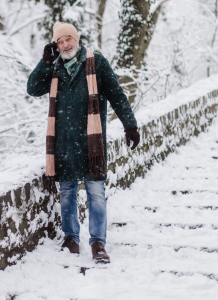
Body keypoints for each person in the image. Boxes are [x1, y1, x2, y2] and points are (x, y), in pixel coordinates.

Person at [27, 22, 140, 264]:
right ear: (56, 45)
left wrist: (130, 125)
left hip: (92, 144)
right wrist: (44, 62)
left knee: (95, 194)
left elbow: (117, 94)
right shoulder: (54, 68)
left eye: (69, 38)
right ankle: (71, 239)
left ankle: (98, 242)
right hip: (65, 144)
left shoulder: (97, 62)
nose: (65, 44)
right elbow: (33, 89)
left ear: (77, 39)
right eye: (60, 41)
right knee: (67, 192)